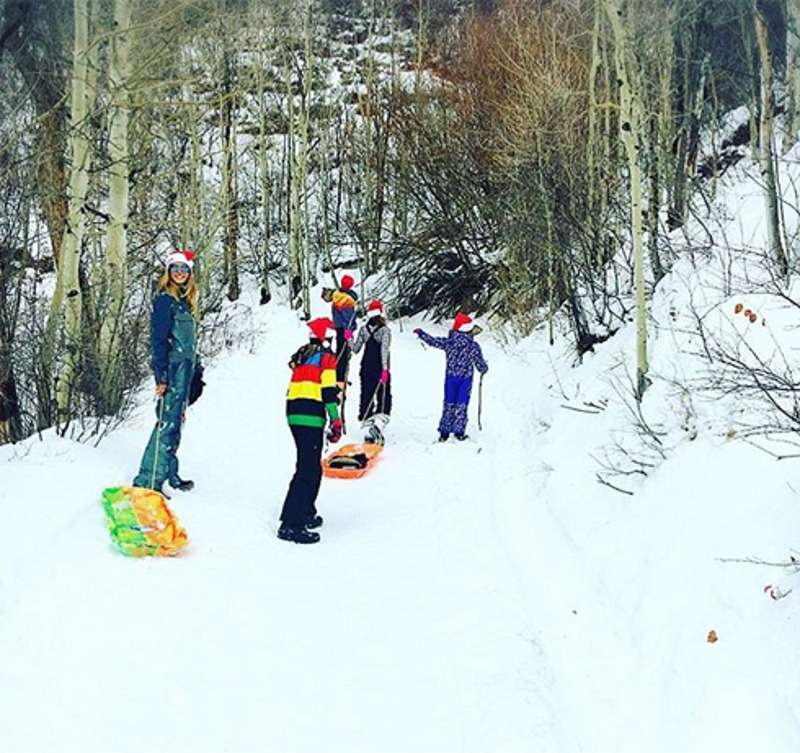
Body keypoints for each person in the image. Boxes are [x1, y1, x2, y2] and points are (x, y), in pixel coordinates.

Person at [132, 250, 201, 494]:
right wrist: (161, 376)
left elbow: (189, 344)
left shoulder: (184, 302)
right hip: (171, 370)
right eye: (175, 269)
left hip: (185, 371)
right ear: (168, 272)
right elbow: (158, 341)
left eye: (184, 269)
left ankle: (170, 471)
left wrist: (197, 373)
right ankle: (148, 480)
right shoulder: (164, 301)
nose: (180, 273)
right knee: (166, 423)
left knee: (177, 421)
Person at [279, 317, 342, 544]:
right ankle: (290, 524)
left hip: (294, 412)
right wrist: (336, 419)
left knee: (311, 467)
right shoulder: (326, 358)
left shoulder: (302, 355)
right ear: (327, 338)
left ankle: (305, 511)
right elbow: (327, 392)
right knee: (307, 469)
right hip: (310, 414)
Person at [414, 312, 488, 442]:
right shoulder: (473, 346)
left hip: (450, 378)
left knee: (449, 403)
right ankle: (459, 432)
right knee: (461, 403)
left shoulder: (449, 342)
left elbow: (433, 341)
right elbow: (480, 363)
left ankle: (444, 432)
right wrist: (483, 369)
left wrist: (422, 334)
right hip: (465, 379)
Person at [351, 299, 392, 445]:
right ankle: (379, 423)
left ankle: (367, 423)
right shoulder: (385, 331)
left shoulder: (364, 329)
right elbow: (384, 350)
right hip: (379, 368)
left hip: (365, 367)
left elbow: (355, 349)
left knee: (366, 395)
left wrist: (349, 339)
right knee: (383, 397)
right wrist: (385, 369)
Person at [330, 274, 359, 389]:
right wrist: (349, 331)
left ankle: (339, 377)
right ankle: (340, 379)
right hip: (345, 329)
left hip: (338, 327)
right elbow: (348, 318)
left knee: (340, 352)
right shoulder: (347, 300)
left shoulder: (337, 296)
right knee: (344, 353)